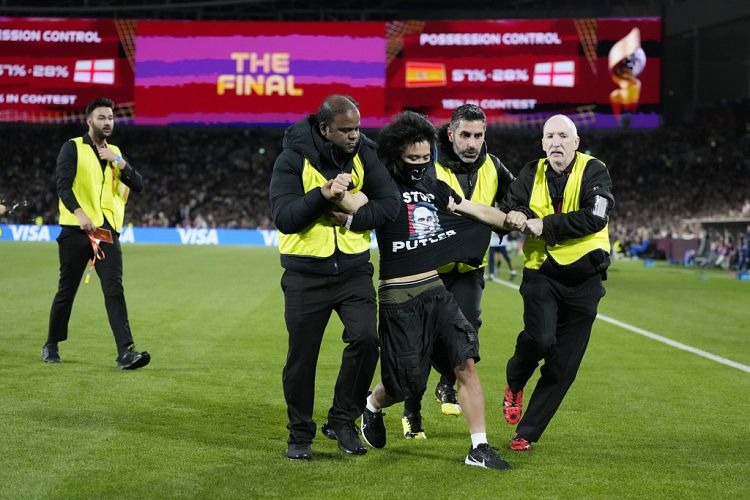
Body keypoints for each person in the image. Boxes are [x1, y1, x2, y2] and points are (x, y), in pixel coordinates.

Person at [358, 110, 514, 471]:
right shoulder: (381, 184)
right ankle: (372, 405)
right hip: (398, 297)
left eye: (426, 158)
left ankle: (479, 448)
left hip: (435, 289)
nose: (420, 164)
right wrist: (336, 201)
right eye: (412, 159)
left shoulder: (431, 183)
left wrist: (511, 221)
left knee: (466, 363)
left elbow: (467, 207)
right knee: (404, 384)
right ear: (397, 154)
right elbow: (356, 204)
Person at [269, 95, 400, 461]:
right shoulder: (292, 158)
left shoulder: (365, 154)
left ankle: (343, 420)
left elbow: (390, 204)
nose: (355, 135)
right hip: (304, 274)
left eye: (357, 128)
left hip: (354, 270)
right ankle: (299, 434)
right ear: (325, 129)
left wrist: (353, 216)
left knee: (366, 339)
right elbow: (284, 215)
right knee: (302, 358)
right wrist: (323, 195)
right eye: (346, 130)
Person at [474, 114, 613, 451]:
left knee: (564, 365)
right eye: (549, 136)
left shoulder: (595, 170)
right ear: (542, 143)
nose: (555, 142)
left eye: (563, 136)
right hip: (543, 273)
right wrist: (516, 214)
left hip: (585, 278)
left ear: (575, 143)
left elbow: (596, 217)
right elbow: (510, 208)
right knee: (541, 337)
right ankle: (515, 379)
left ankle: (527, 432)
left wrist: (544, 225)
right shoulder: (530, 172)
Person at [402, 104, 515, 437]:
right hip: (427, 269)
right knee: (419, 343)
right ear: (450, 134)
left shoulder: (494, 167)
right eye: (465, 135)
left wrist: (516, 215)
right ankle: (412, 411)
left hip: (468, 269)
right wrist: (478, 221)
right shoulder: (428, 165)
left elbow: (515, 201)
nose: (471, 143)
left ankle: (447, 384)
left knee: (467, 331)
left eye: (478, 135)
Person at [42, 97, 150, 370]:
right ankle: (51, 343)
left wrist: (120, 162)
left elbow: (139, 185)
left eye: (111, 118)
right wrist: (79, 213)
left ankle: (126, 352)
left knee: (115, 290)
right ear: (89, 121)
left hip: (106, 232)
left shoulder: (114, 152)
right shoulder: (72, 148)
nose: (107, 122)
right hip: (76, 231)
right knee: (67, 289)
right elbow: (63, 185)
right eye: (101, 118)